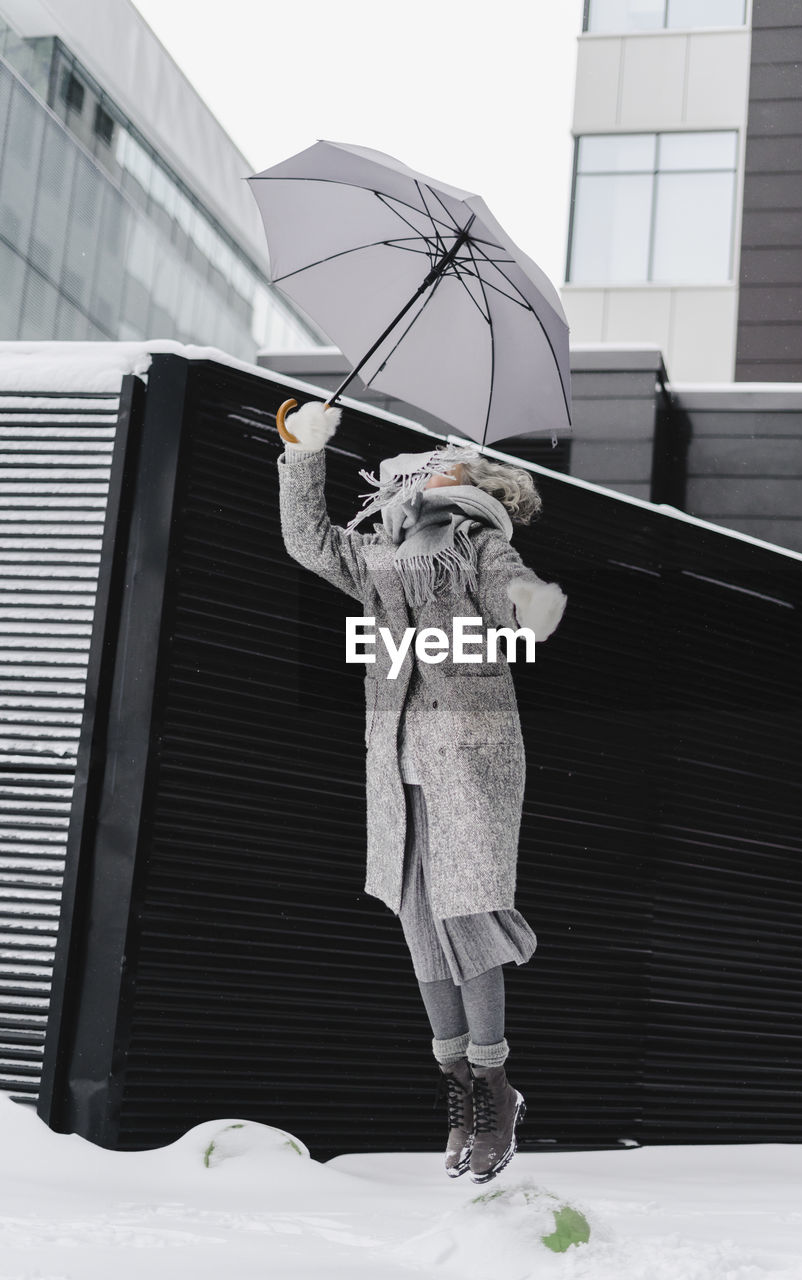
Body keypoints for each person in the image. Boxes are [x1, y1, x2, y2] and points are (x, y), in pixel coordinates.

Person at [277, 399, 567, 1183]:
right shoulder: (382, 553)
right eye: (421, 463)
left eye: (443, 462)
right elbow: (309, 542)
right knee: (419, 927)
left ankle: (496, 1087)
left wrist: (531, 607)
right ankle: (460, 1089)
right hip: (396, 760)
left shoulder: (473, 543)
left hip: (469, 761)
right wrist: (304, 453)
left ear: (467, 482)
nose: (422, 466)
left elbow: (512, 585)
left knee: (466, 916)